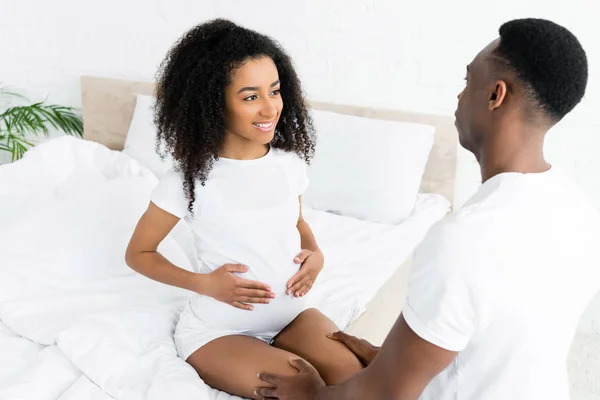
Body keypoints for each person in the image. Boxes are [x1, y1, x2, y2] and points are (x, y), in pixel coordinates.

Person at [256, 17, 600, 400]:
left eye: (469, 81)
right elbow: (504, 331)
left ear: (495, 95)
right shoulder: (577, 209)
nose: (459, 96)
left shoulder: (465, 238)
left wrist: (313, 395)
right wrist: (390, 355)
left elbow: (384, 395)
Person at [125, 19, 362, 399]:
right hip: (221, 331)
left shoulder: (289, 164)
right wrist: (204, 283)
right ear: (212, 103)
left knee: (354, 377)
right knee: (300, 390)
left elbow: (296, 221)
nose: (270, 108)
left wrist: (316, 255)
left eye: (275, 91)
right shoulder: (187, 182)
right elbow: (138, 254)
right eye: (251, 96)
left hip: (293, 315)